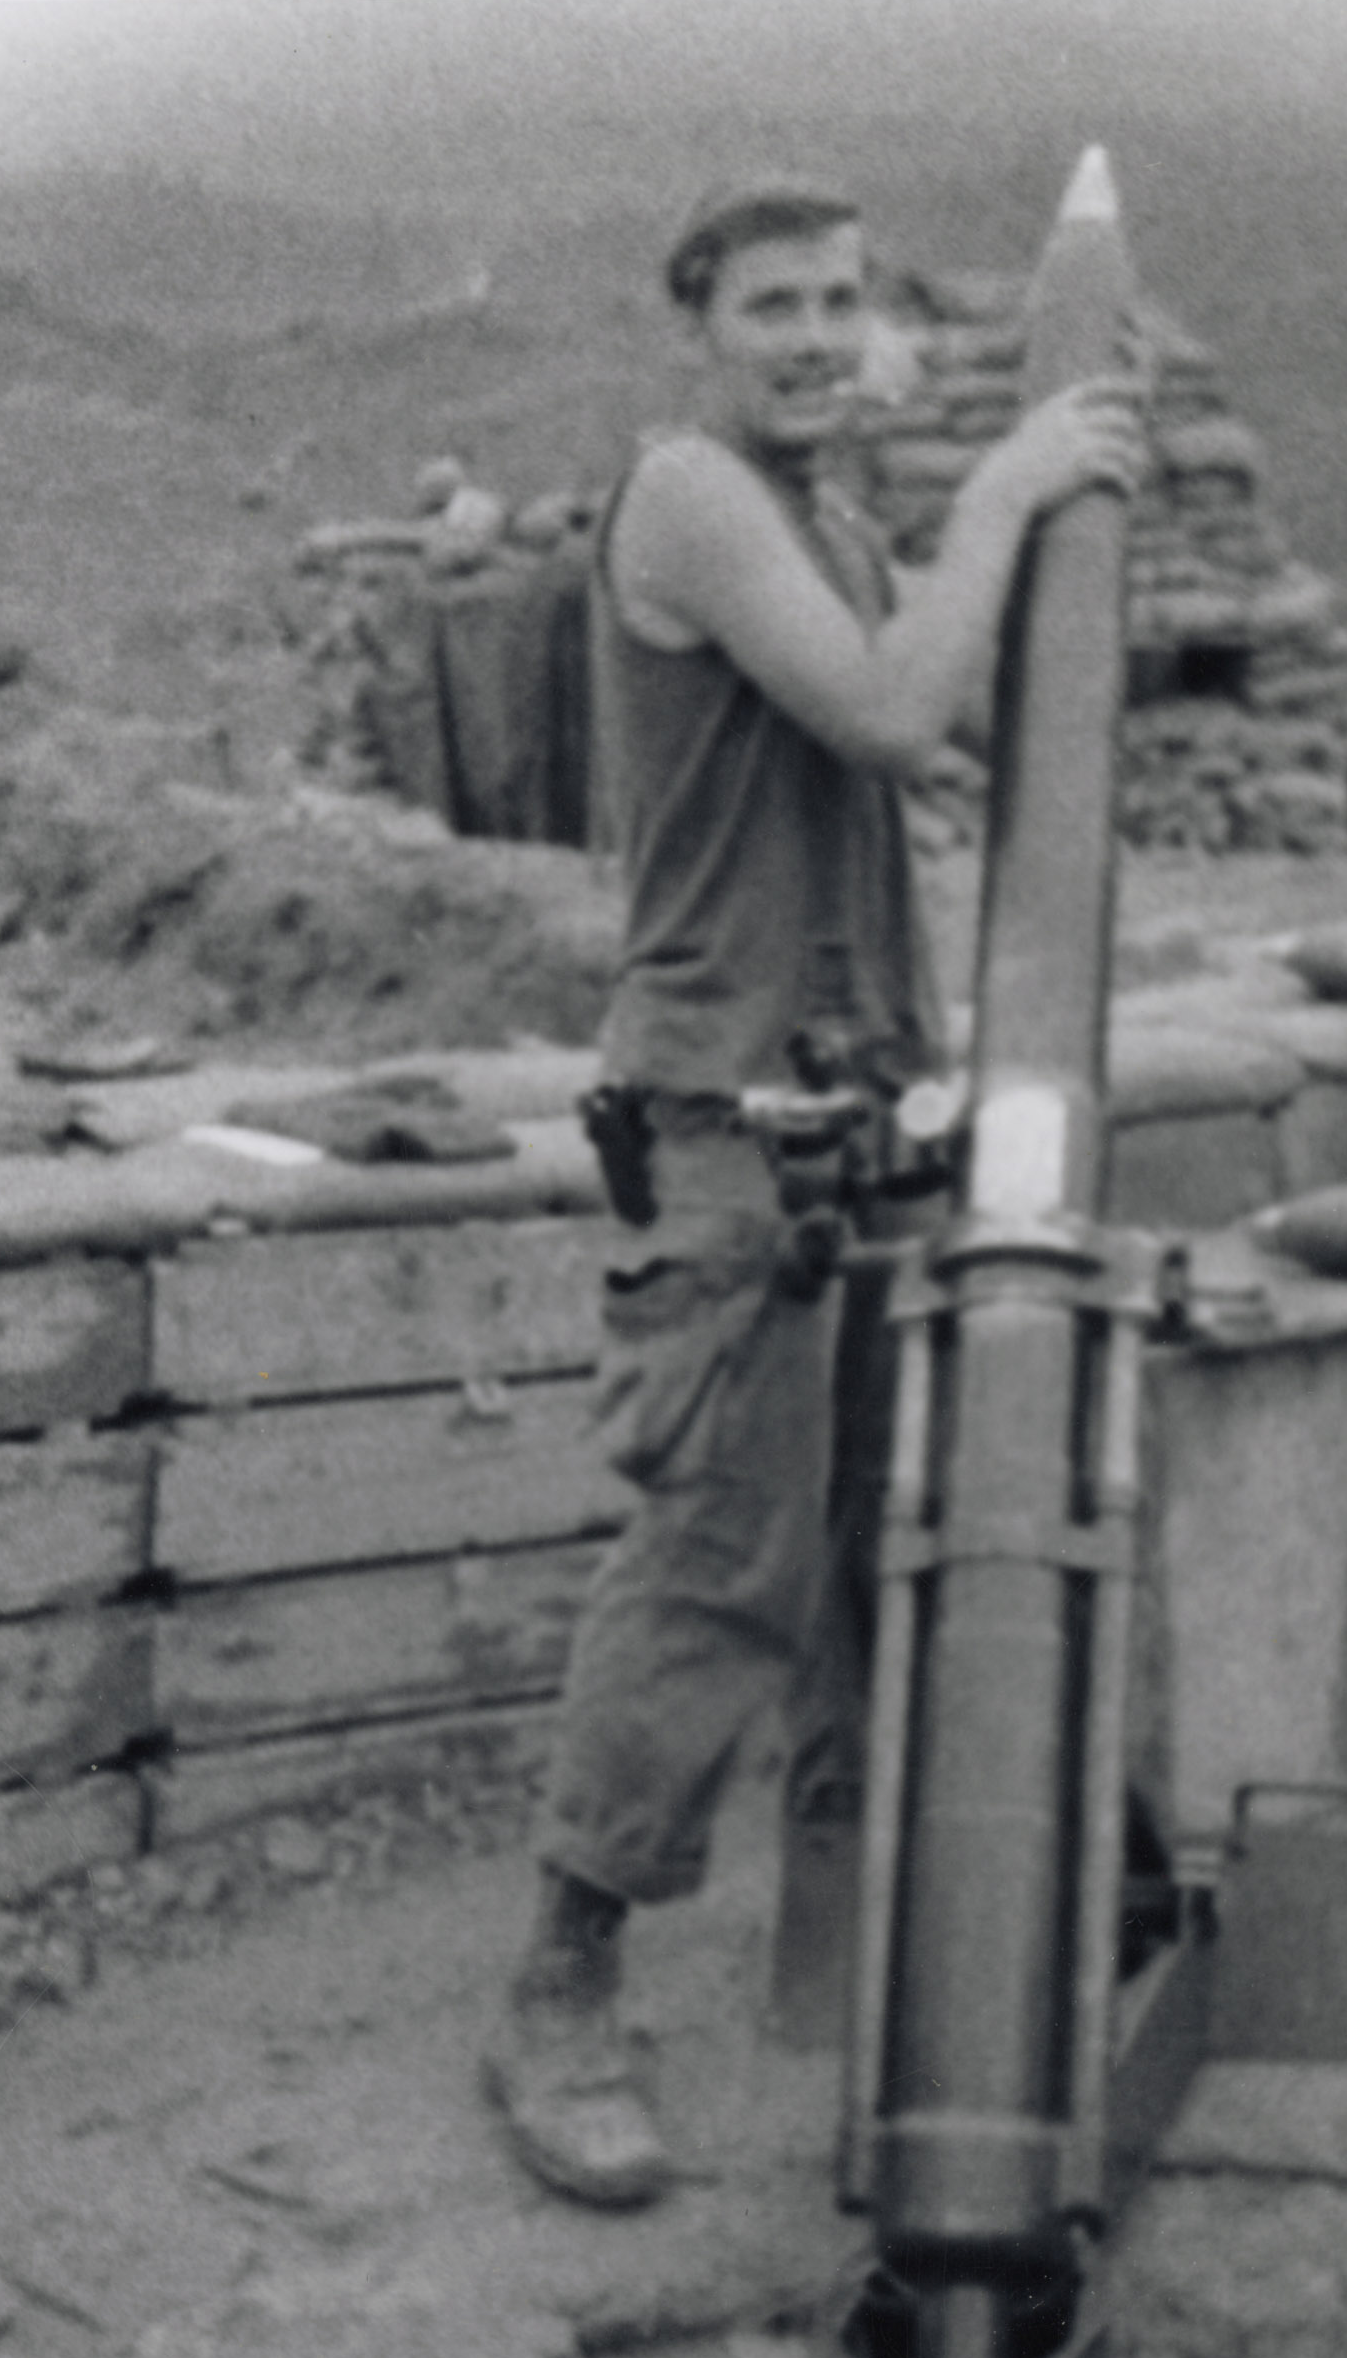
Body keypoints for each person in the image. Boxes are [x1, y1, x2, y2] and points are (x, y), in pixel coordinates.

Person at [483, 174, 1146, 2205]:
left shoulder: (831, 524)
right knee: (716, 1573)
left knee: (882, 1565)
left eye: (840, 302)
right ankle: (560, 1992)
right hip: (732, 1150)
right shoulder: (689, 497)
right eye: (770, 302)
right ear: (701, 326)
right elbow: (886, 712)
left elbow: (908, 770)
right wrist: (1014, 489)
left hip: (861, 1128)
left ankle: (858, 1996)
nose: (811, 334)